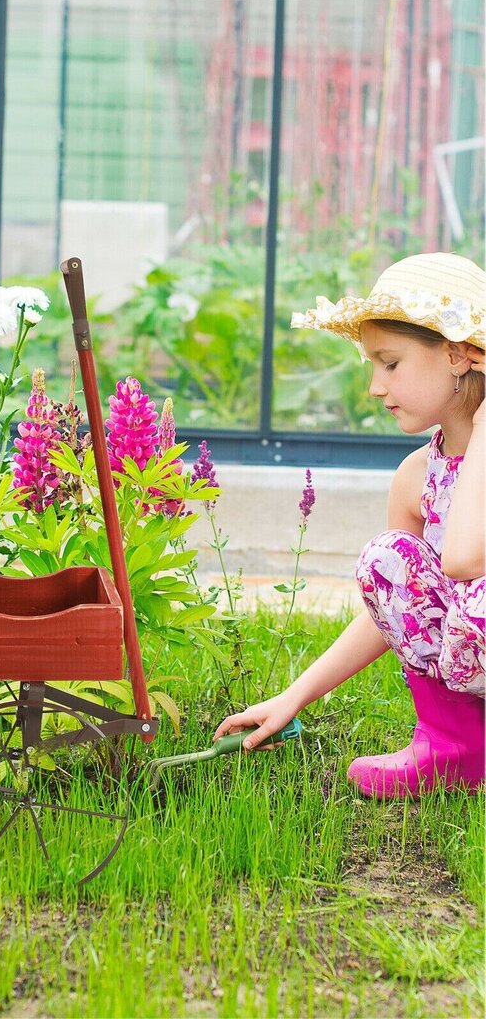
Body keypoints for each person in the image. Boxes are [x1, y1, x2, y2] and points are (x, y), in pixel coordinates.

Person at [213, 252, 485, 799]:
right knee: (388, 559)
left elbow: (462, 561)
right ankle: (456, 745)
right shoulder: (416, 478)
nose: (375, 388)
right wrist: (292, 697)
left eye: (390, 363)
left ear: (457, 355)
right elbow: (394, 608)